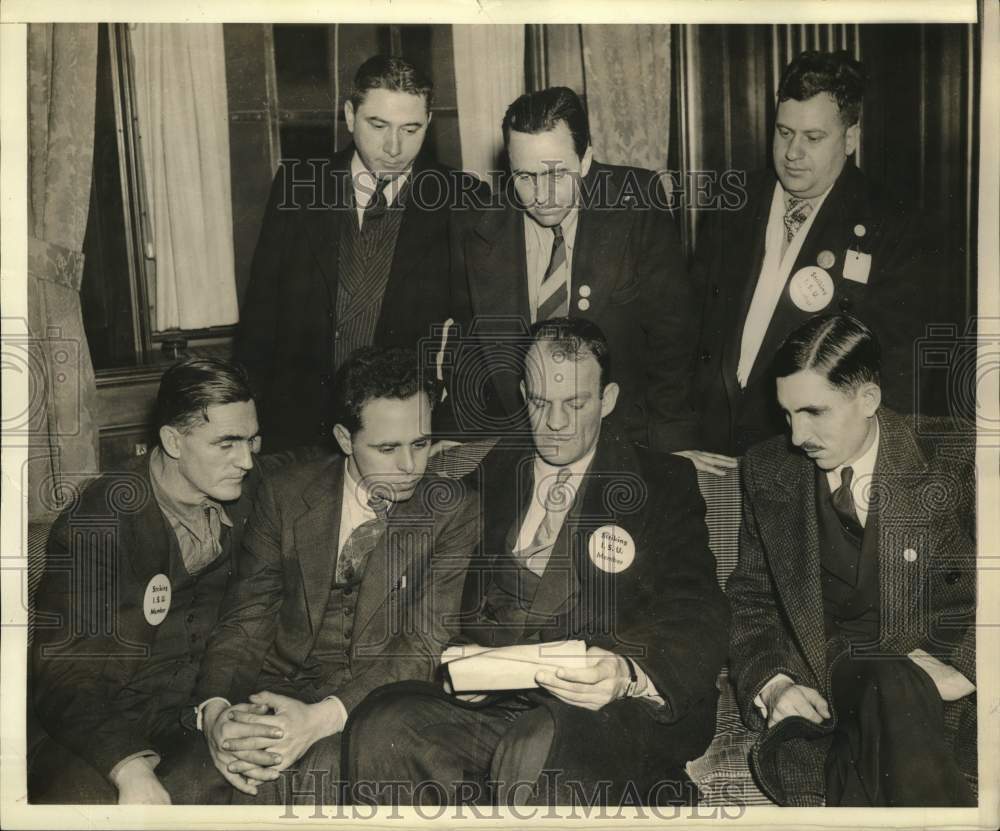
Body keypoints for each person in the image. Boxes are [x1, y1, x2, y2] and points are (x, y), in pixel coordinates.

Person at [345, 318, 729, 806]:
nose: (556, 425)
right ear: (524, 391)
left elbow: (696, 609)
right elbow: (445, 599)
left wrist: (628, 674)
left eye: (575, 404)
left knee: (537, 749)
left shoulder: (661, 482)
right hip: (492, 705)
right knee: (381, 727)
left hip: (597, 710)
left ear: (608, 399)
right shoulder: (492, 469)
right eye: (540, 403)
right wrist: (465, 664)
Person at [189, 346, 481, 805]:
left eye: (421, 443)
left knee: (316, 782)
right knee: (191, 784)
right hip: (275, 690)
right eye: (388, 448)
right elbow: (246, 622)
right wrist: (218, 712)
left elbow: (424, 645)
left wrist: (321, 718)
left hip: (377, 703)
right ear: (345, 438)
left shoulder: (454, 509)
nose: (411, 467)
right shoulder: (285, 494)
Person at [726, 314, 976, 806]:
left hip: (941, 699)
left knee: (889, 686)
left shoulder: (956, 455)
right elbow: (752, 601)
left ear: (868, 399)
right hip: (829, 691)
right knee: (882, 681)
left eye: (814, 412)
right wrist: (774, 686)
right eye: (788, 414)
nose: (797, 436)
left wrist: (968, 667)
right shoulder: (768, 470)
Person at [30, 358, 266, 804]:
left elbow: (319, 467)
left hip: (191, 718)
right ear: (173, 441)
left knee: (239, 782)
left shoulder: (247, 490)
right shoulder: (100, 520)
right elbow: (65, 674)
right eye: (227, 443)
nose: (247, 460)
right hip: (100, 725)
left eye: (252, 439)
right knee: (83, 802)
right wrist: (128, 767)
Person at [236, 55, 489, 451]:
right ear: (350, 115)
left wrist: (450, 427)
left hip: (405, 437)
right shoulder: (298, 187)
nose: (393, 147)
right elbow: (260, 318)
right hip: (300, 432)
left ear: (428, 123)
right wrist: (246, 422)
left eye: (411, 129)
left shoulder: (464, 198)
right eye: (378, 125)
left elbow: (478, 334)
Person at [690, 50, 934, 459]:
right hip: (711, 452)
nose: (792, 153)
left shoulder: (891, 229)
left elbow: (898, 374)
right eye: (784, 133)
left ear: (850, 139)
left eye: (813, 138)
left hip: (802, 458)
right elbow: (688, 331)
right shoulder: (730, 206)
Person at [446, 86, 700, 457]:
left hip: (622, 439)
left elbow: (673, 341)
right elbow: (467, 347)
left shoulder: (637, 204)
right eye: (525, 176)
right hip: (517, 441)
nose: (541, 195)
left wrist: (673, 448)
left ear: (586, 161)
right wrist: (458, 436)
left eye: (557, 174)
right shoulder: (478, 226)